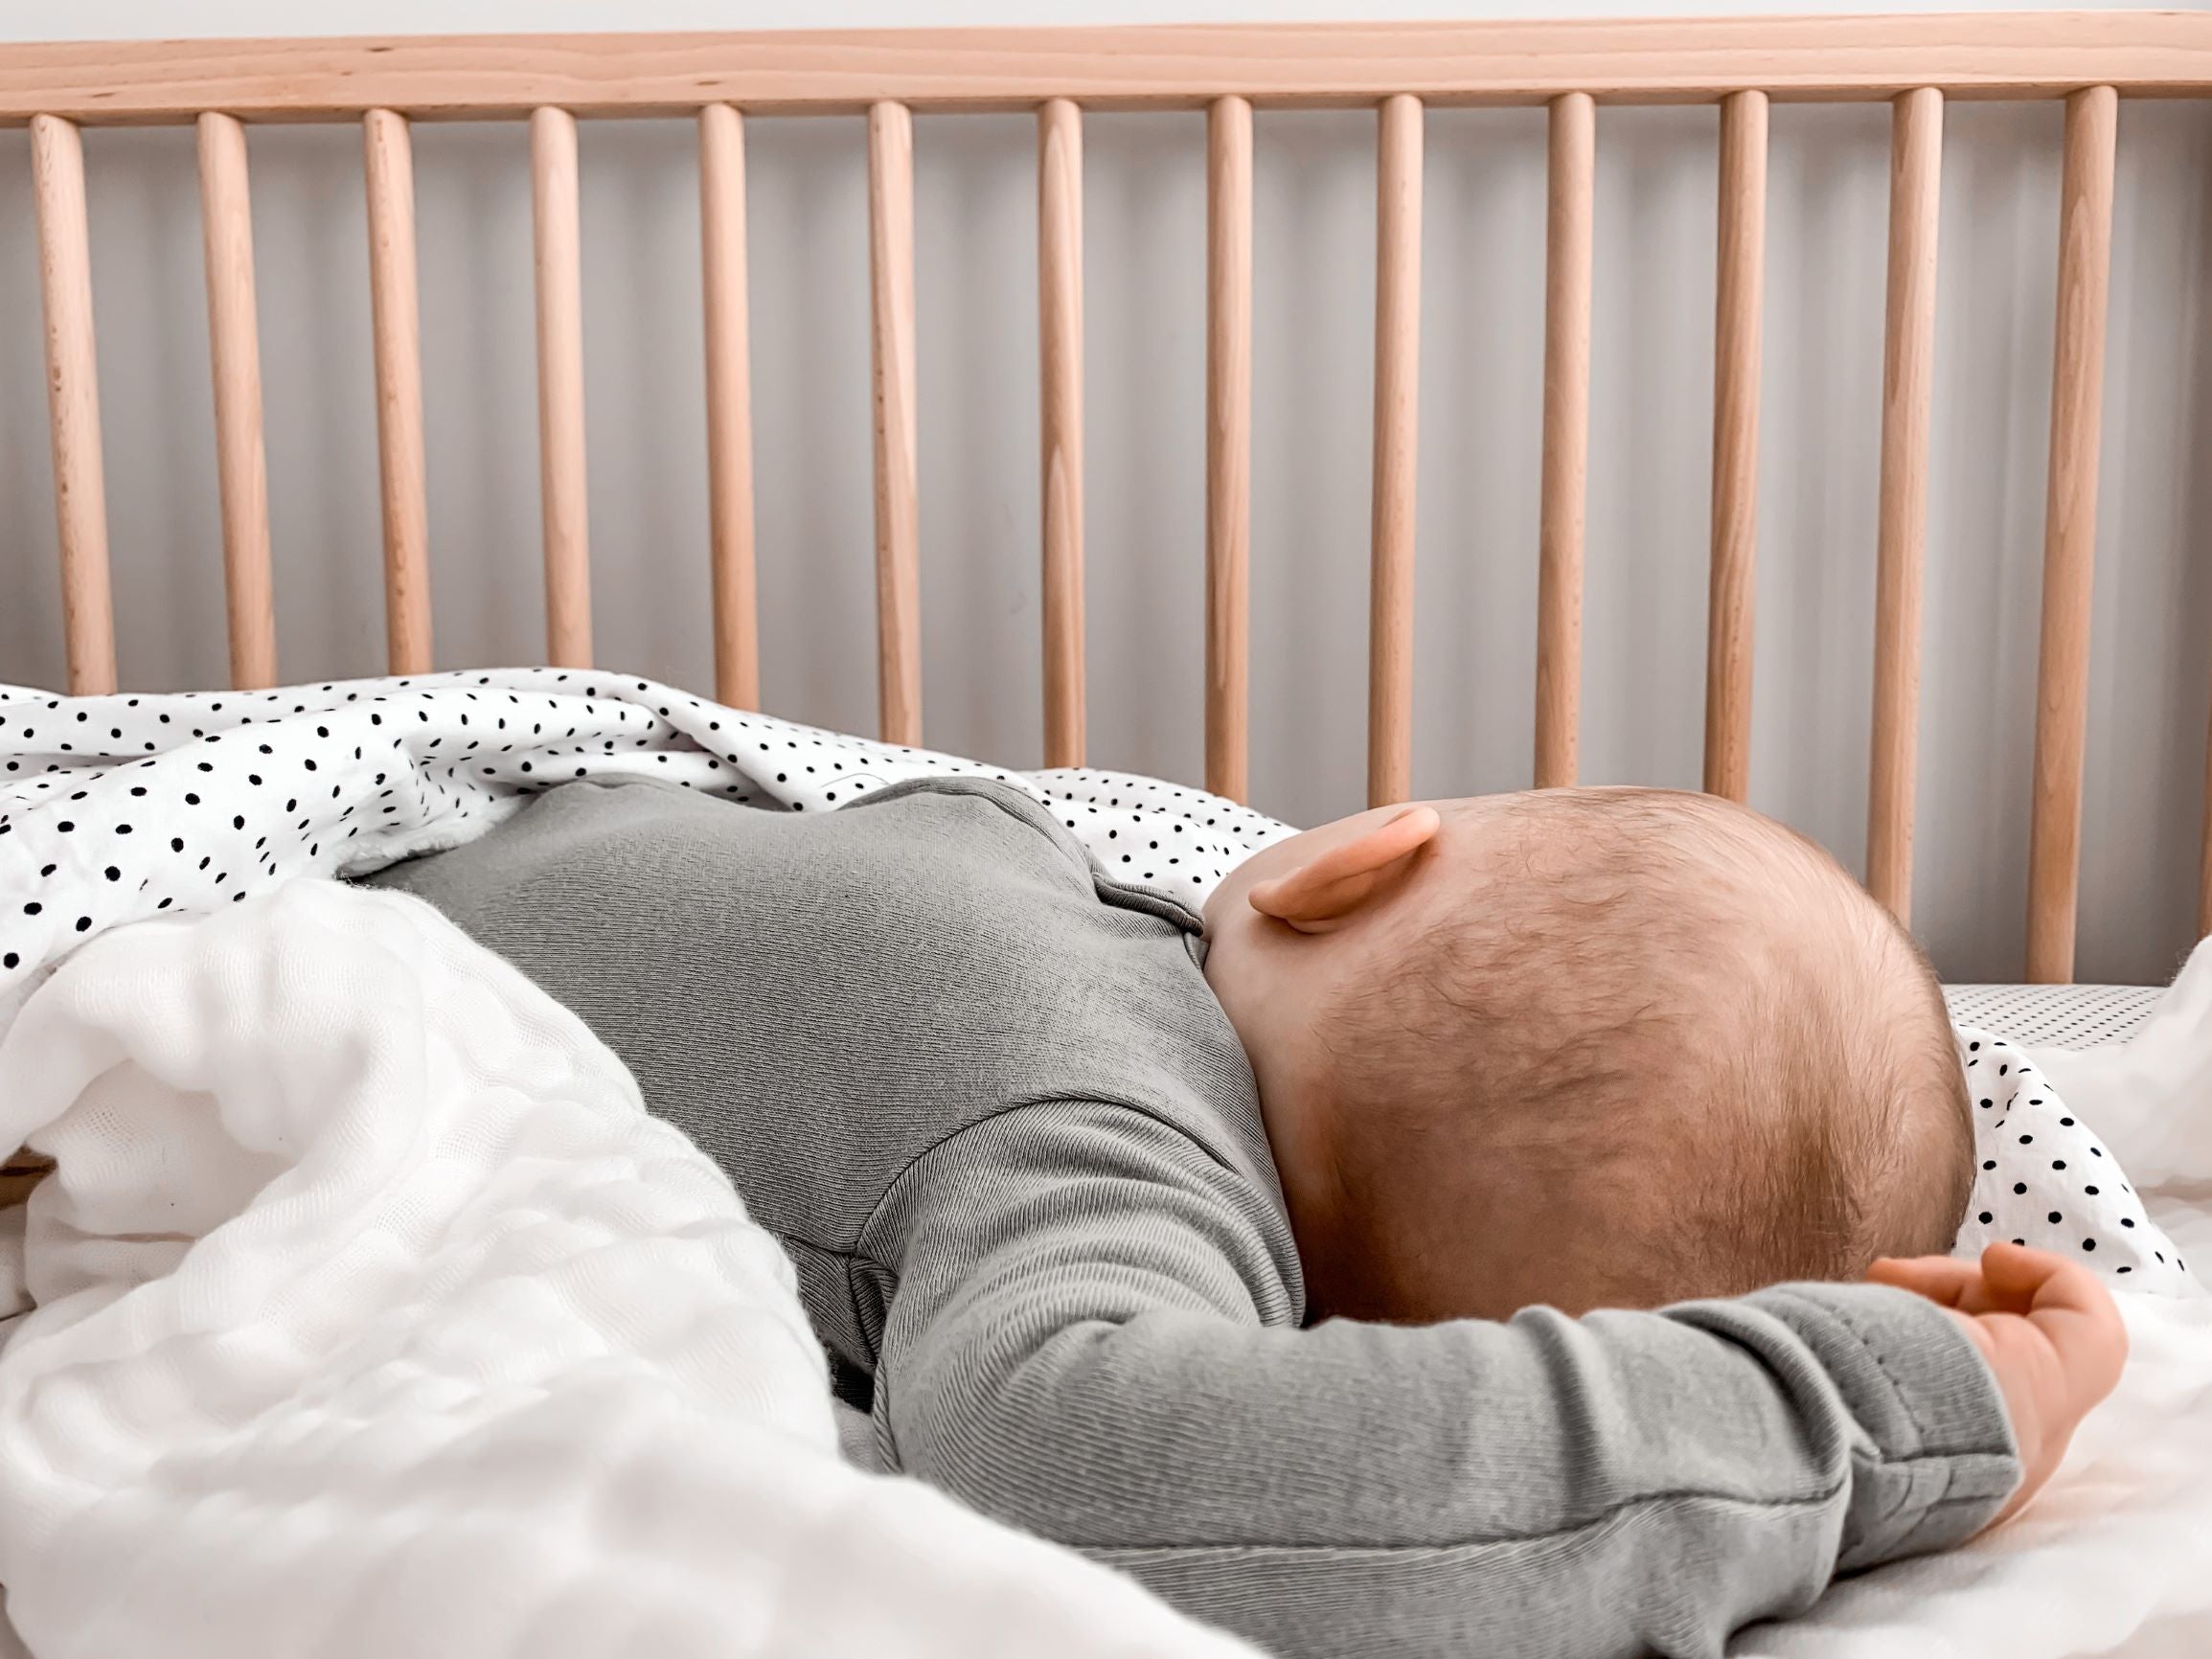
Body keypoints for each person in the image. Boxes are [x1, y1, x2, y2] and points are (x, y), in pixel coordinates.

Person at [364, 776, 2125, 1657]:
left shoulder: (1090, 1128)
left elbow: (1096, 1459)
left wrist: (1878, 1416)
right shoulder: (1106, 1000)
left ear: (1343, 865)